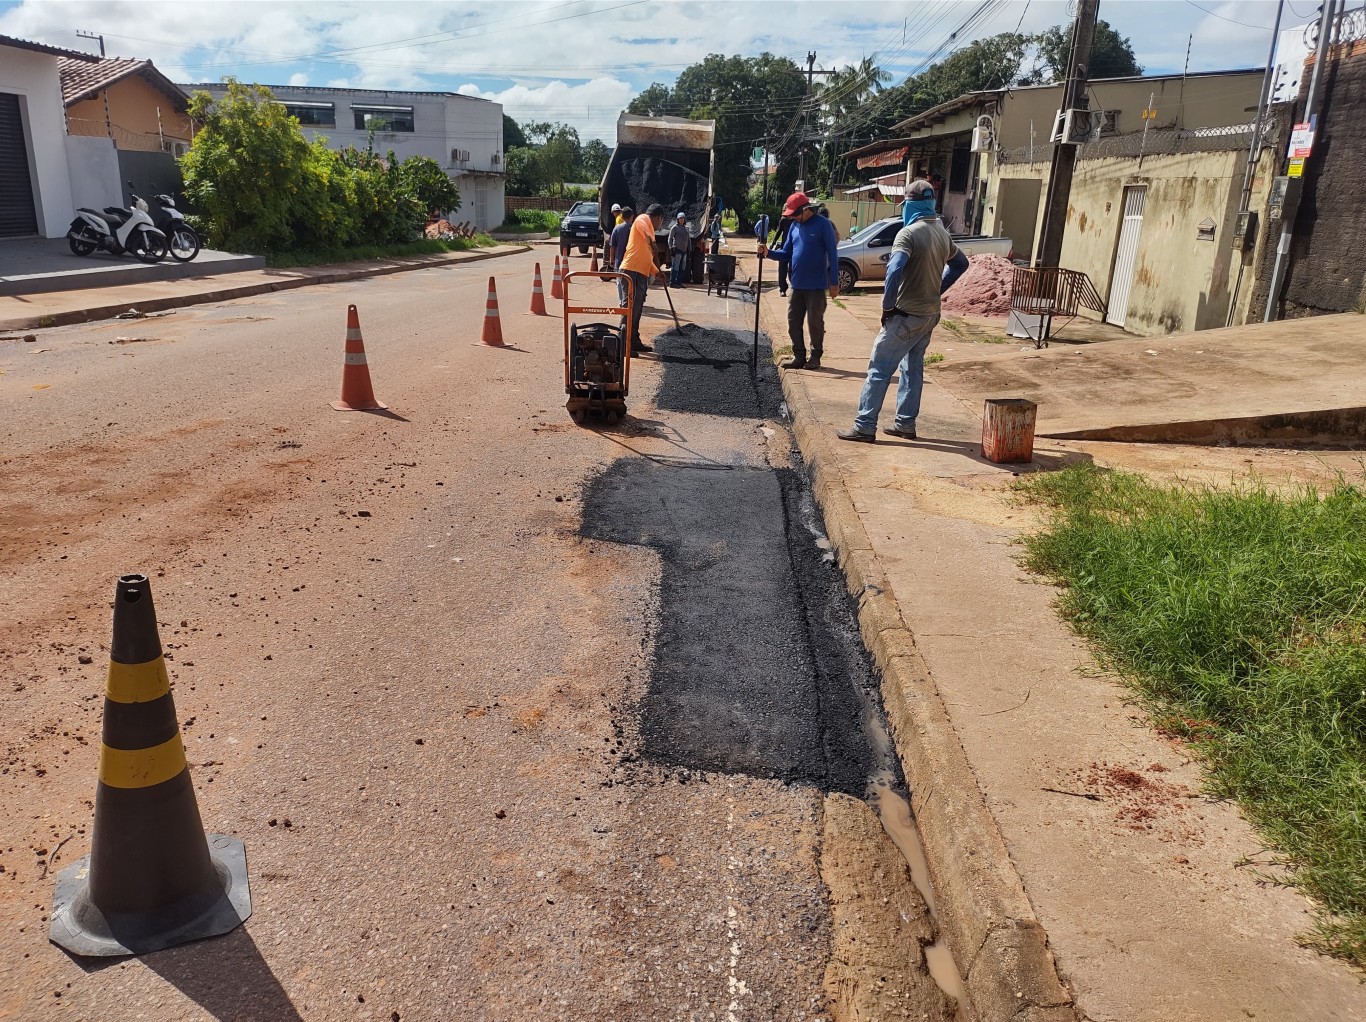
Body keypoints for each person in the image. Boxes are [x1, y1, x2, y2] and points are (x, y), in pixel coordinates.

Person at [837, 179, 970, 443]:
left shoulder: (908, 234)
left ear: (910, 204)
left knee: (879, 369)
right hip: (929, 314)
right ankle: (905, 424)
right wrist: (936, 290)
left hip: (906, 314)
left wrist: (888, 306)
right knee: (912, 368)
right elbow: (960, 264)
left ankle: (864, 427)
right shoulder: (942, 232)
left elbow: (894, 269)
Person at [757, 191, 839, 370]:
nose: (792, 217)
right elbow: (786, 253)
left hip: (816, 286)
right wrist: (768, 253)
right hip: (796, 284)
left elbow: (833, 254)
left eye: (795, 213)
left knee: (815, 322)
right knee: (793, 321)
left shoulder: (823, 225)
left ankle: (815, 357)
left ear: (805, 209)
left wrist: (834, 283)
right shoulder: (794, 226)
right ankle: (799, 356)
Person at [619, 203, 667, 355]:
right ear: (658, 217)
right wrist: (651, 241)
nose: (660, 224)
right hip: (630, 271)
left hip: (641, 273)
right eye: (661, 220)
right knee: (629, 308)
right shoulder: (642, 219)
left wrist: (656, 271)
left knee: (637, 309)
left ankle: (633, 341)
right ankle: (623, 345)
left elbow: (646, 257)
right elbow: (642, 228)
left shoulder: (649, 231)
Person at [609, 205, 634, 310]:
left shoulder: (617, 228)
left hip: (619, 262)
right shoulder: (635, 229)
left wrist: (611, 259)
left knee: (619, 283)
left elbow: (612, 246)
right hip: (633, 262)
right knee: (632, 283)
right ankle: (631, 302)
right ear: (632, 216)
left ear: (622, 217)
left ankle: (622, 303)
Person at [770, 213, 792, 297]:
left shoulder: (796, 220)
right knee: (782, 269)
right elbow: (779, 231)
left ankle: (794, 288)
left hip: (794, 248)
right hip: (784, 248)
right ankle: (782, 289)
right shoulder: (783, 220)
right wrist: (773, 243)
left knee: (792, 269)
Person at [668, 212, 691, 288]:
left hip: (684, 251)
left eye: (683, 218)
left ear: (684, 219)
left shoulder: (686, 228)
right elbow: (670, 238)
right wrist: (671, 248)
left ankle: (679, 282)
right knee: (675, 267)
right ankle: (672, 282)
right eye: (680, 218)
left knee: (682, 267)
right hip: (677, 250)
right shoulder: (674, 228)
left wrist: (689, 249)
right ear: (678, 219)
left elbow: (688, 240)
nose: (681, 220)